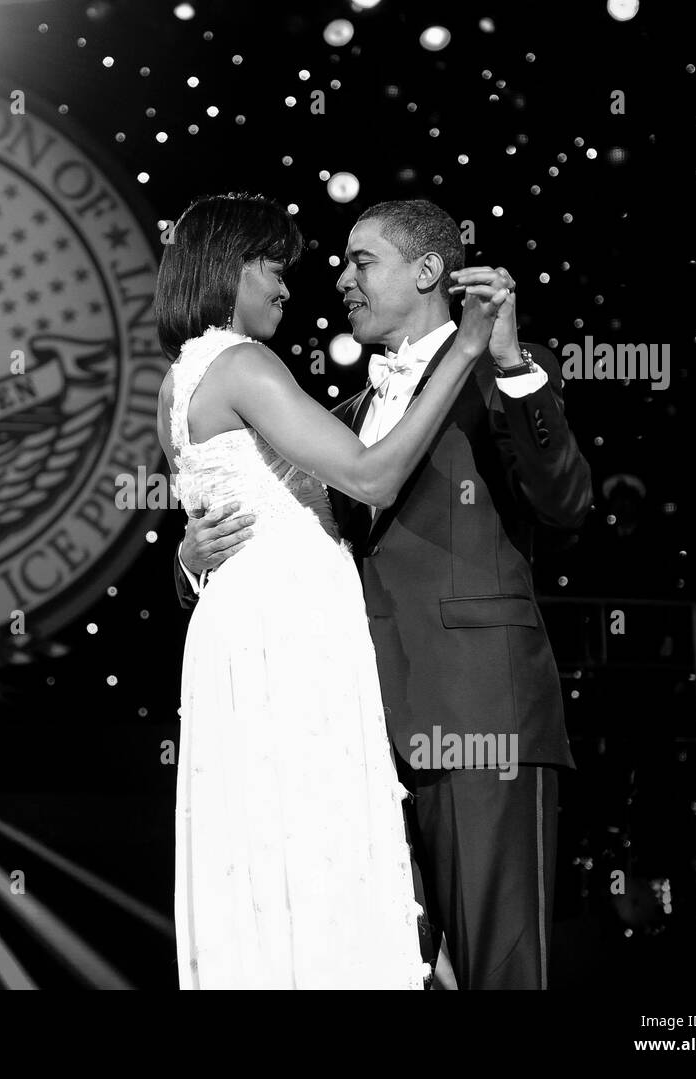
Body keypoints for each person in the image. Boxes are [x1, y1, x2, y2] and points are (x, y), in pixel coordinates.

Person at [175, 199, 593, 989]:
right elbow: (272, 526)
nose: (339, 281)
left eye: (361, 262)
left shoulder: (506, 372)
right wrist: (191, 557)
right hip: (356, 737)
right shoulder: (346, 415)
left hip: (481, 721)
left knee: (495, 969)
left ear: (429, 269)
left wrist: (505, 363)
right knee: (394, 969)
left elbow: (566, 502)